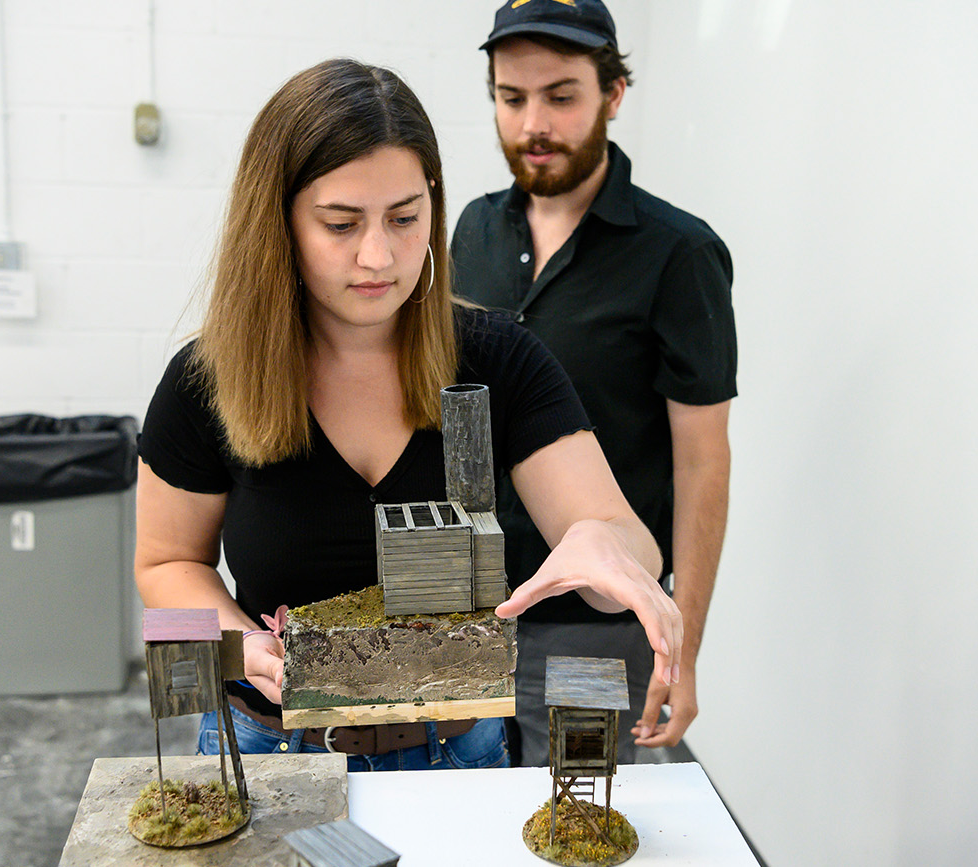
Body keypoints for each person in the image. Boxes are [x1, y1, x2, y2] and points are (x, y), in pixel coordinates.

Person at [134, 58, 682, 773]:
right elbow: (167, 560)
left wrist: (610, 549)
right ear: (278, 225)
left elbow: (623, 540)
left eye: (404, 218)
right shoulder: (206, 380)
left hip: (457, 750)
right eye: (340, 223)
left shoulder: (497, 361)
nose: (378, 255)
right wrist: (245, 641)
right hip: (272, 750)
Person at [452, 0, 738, 766]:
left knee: (577, 823)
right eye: (511, 99)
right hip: (470, 607)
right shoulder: (470, 232)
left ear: (613, 95)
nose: (533, 123)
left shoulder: (679, 255)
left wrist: (683, 647)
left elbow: (703, 462)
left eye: (561, 96)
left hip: (596, 623)